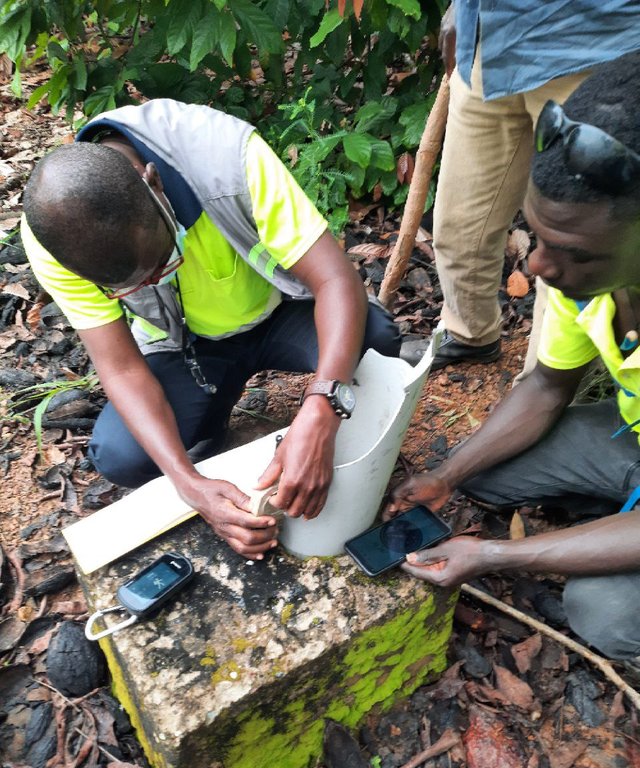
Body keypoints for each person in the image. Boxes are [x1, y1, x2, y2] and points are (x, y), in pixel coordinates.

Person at [21, 99, 400, 559]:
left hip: (282, 314)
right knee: (123, 455)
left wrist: (322, 406)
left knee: (375, 341)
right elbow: (119, 367)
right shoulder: (55, 240)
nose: (154, 283)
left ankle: (286, 420)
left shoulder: (226, 157)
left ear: (155, 185)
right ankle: (212, 420)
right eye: (129, 288)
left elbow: (336, 279)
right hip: (187, 347)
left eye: (162, 264)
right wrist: (187, 484)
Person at [386, 52, 640, 662]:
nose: (539, 269)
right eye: (536, 236)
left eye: (574, 254)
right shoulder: (599, 274)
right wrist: (448, 475)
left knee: (602, 613)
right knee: (485, 470)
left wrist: (498, 556)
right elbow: (548, 386)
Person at [422, 0, 640, 372]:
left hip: (595, 44)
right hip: (490, 39)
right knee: (459, 224)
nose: (532, 264)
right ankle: (469, 335)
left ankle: (548, 379)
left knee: (568, 247)